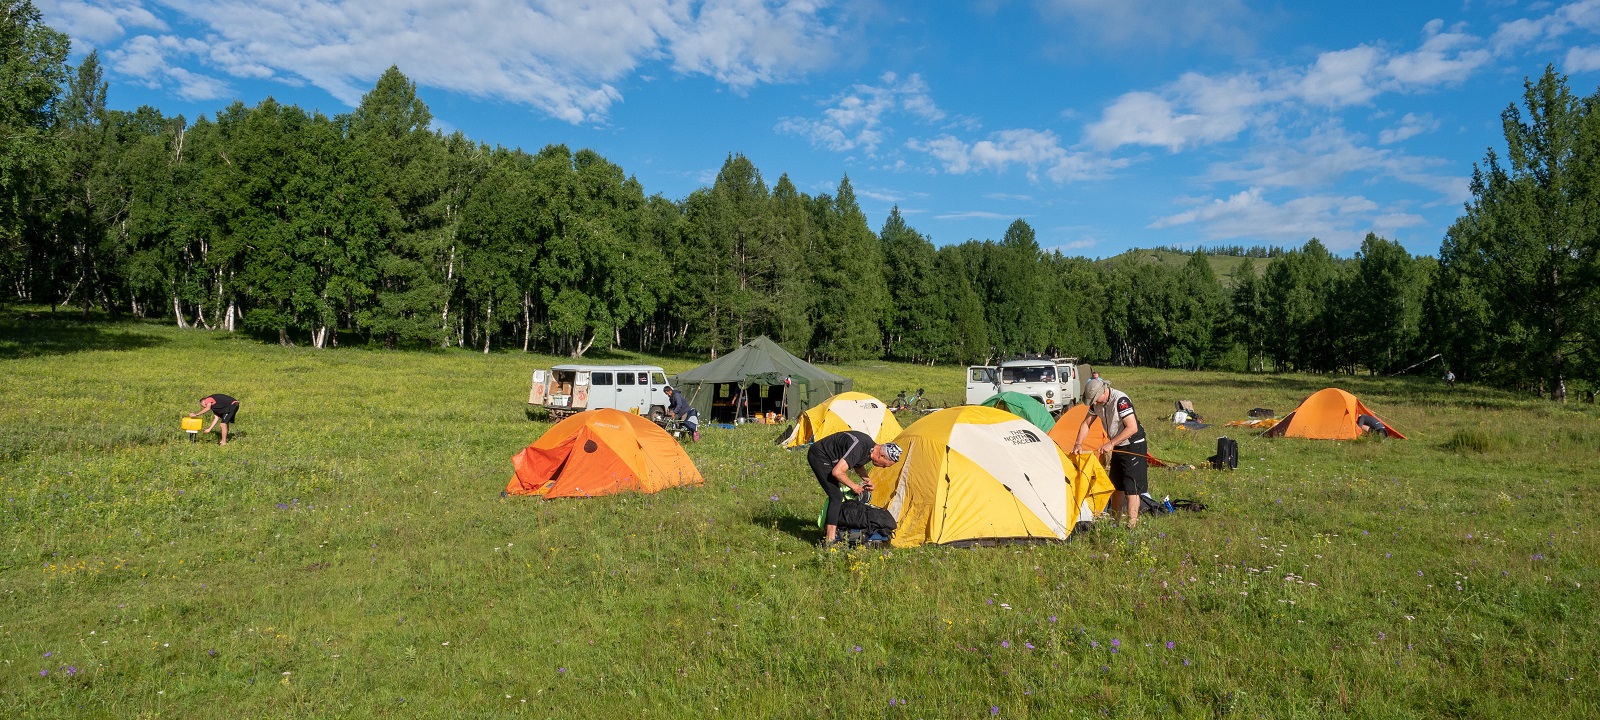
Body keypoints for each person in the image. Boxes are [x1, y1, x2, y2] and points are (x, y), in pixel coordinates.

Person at [1071, 378, 1148, 528]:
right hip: (1118, 445)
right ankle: (1114, 522)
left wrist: (1111, 443)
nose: (1094, 402)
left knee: (1131, 487)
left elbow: (1132, 427)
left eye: (1095, 399)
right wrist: (1078, 443)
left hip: (1133, 445)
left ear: (1103, 392)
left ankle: (1131, 524)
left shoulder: (1121, 401)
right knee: (1116, 484)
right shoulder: (1096, 403)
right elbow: (1086, 424)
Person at [807, 430, 901, 546]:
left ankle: (831, 529)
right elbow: (837, 472)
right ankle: (829, 539)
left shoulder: (870, 449)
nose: (883, 467)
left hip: (830, 459)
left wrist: (868, 480)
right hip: (819, 455)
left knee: (836, 495)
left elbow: (858, 464)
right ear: (881, 455)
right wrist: (854, 486)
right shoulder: (860, 448)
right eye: (885, 465)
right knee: (836, 496)